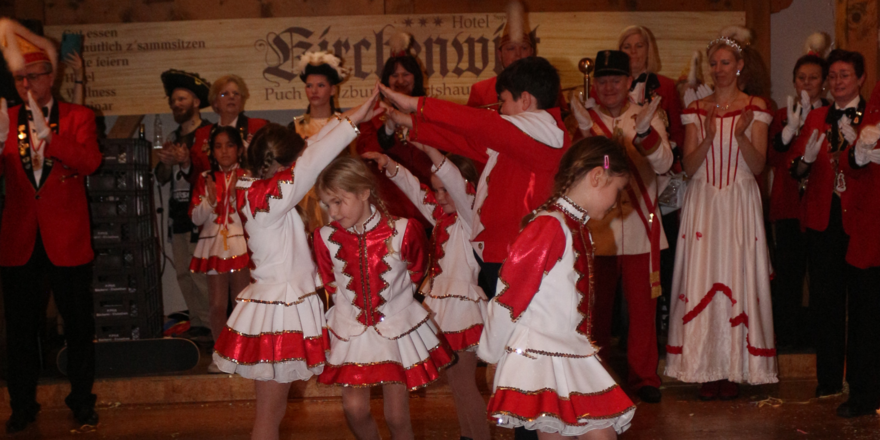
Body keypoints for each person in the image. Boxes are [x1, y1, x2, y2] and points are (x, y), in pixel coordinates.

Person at [212, 88, 382, 440]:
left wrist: (356, 114)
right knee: (268, 415)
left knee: (271, 412)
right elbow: (313, 157)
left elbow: (312, 147)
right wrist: (355, 120)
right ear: (282, 165)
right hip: (281, 308)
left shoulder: (252, 186)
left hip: (274, 302)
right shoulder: (273, 195)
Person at [477, 136, 636, 439]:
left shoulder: (576, 228)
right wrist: (492, 354)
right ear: (597, 176)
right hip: (542, 356)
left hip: (568, 352)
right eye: (617, 190)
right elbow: (510, 295)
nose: (617, 202)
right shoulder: (550, 226)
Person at [380, 56, 570, 305]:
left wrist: (414, 104)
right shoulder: (520, 139)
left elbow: (479, 124)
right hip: (504, 254)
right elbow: (467, 140)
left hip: (521, 254)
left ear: (525, 100)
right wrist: (406, 119)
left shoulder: (545, 133)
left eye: (503, 102)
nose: (500, 110)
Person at [0, 18, 102, 432]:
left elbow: (90, 162)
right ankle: (22, 406)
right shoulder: (6, 117)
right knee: (21, 330)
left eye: (34, 76)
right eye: (19, 78)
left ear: (51, 77)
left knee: (78, 327)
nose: (26, 84)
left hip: (67, 239)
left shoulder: (78, 116)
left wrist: (52, 138)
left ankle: (82, 401)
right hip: (20, 239)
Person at [666, 33, 777, 400]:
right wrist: (709, 135)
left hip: (739, 201)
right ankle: (704, 367)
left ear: (739, 65)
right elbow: (689, 167)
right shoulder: (697, 109)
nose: (718, 69)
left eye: (725, 62)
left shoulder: (755, 107)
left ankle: (735, 367)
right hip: (704, 202)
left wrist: (741, 135)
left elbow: (758, 165)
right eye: (714, 63)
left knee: (735, 273)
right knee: (703, 276)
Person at [313, 156, 454, 440]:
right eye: (328, 204)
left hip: (395, 328)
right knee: (354, 409)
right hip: (351, 330)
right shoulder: (324, 237)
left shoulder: (403, 230)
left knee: (397, 416)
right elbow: (330, 281)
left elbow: (417, 272)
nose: (333, 212)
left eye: (339, 202)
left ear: (364, 192)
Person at [362, 146, 490, 440]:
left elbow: (456, 188)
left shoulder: (471, 219)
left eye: (446, 190)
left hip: (461, 308)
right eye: (437, 190)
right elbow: (416, 192)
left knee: (464, 385)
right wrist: (389, 164)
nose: (440, 197)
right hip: (443, 305)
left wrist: (432, 151)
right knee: (457, 385)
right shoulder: (443, 219)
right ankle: (468, 436)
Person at [569, 50, 672, 404]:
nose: (609, 87)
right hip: (600, 233)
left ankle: (644, 378)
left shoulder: (646, 115)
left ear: (629, 81)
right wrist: (583, 130)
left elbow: (664, 164)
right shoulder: (586, 119)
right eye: (602, 80)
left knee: (642, 311)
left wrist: (645, 132)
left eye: (616, 80)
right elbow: (577, 171)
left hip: (641, 228)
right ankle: (595, 377)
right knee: (595, 311)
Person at [788, 48, 866, 402]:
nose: (837, 82)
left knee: (862, 305)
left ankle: (862, 382)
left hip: (861, 222)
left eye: (844, 75)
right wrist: (804, 160)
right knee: (826, 304)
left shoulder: (872, 116)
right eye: (832, 76)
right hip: (823, 219)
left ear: (860, 78)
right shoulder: (817, 116)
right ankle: (829, 379)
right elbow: (797, 168)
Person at [766, 33, 829, 351]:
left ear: (824, 83)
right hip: (789, 205)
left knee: (821, 276)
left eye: (813, 78)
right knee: (789, 276)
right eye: (802, 78)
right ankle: (787, 339)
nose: (807, 83)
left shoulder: (832, 113)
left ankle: (820, 339)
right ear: (794, 81)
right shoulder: (782, 114)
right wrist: (790, 130)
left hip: (820, 205)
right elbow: (772, 157)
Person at [835, 80, 880, 418]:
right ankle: (863, 393)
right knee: (865, 316)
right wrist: (858, 154)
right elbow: (851, 165)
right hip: (871, 227)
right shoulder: (878, 94)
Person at [157, 68, 213, 342]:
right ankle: (198, 322)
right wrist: (167, 163)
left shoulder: (210, 133)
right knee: (183, 273)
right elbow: (161, 178)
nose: (176, 104)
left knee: (201, 274)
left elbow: (214, 172)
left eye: (181, 99)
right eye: (173, 101)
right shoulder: (173, 135)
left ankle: (215, 326)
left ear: (196, 102)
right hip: (177, 216)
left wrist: (187, 160)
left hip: (200, 217)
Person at [356, 34, 434, 231]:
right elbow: (365, 151)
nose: (400, 80)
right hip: (388, 205)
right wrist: (387, 130)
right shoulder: (373, 114)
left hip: (429, 203)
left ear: (416, 78)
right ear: (385, 81)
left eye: (406, 74)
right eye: (394, 75)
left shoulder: (429, 112)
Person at [188, 126, 250, 372]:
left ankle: (243, 352)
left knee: (241, 302)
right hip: (213, 246)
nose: (224, 151)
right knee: (216, 305)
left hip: (241, 245)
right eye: (218, 146)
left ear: (239, 149)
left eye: (230, 145)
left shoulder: (248, 176)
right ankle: (222, 354)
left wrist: (236, 196)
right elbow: (195, 217)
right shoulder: (206, 178)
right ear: (212, 151)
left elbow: (254, 214)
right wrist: (210, 202)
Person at [291, 50, 352, 232]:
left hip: (337, 200)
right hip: (303, 201)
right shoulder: (294, 127)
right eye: (309, 86)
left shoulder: (344, 124)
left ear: (333, 90)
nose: (314, 91)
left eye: (320, 85)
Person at [619, 25, 685, 148]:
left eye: (639, 46)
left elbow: (677, 133)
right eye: (627, 47)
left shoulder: (666, 86)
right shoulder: (607, 87)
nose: (633, 51)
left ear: (648, 50)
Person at [191, 74, 269, 174]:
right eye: (224, 94)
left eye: (236, 94)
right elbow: (196, 173)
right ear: (215, 102)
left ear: (241, 101)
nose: (231, 97)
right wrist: (185, 162)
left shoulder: (258, 126)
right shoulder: (203, 134)